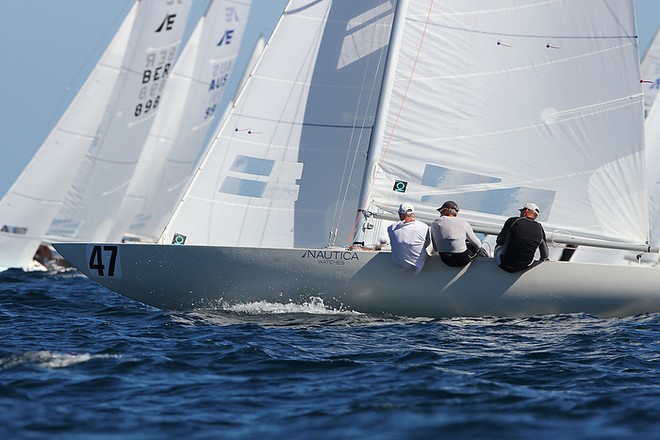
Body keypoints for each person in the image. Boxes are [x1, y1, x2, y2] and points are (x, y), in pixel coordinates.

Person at [495, 202, 550, 273]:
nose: (520, 213)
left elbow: (500, 240)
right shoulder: (539, 227)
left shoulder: (512, 221)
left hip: (504, 263)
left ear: (526, 210)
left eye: (521, 211)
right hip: (525, 266)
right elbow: (545, 254)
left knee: (499, 246)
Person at [431, 200, 487, 267]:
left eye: (441, 211)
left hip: (445, 260)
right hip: (461, 260)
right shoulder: (463, 223)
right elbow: (478, 245)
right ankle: (487, 265)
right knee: (475, 246)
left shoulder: (434, 224)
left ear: (445, 211)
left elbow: (436, 248)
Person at [387, 203, 430, 274]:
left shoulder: (391, 228)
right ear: (413, 214)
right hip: (419, 266)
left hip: (398, 266)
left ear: (400, 214)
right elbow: (427, 244)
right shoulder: (424, 226)